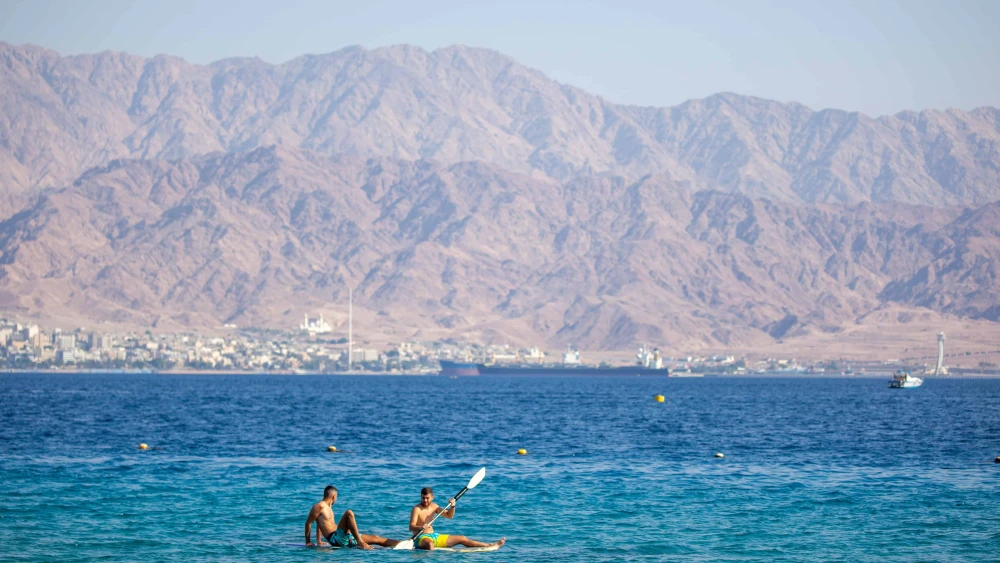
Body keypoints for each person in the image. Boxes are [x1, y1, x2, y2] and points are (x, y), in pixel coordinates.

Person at [305, 485, 401, 549]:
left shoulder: (329, 508)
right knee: (349, 513)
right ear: (333, 496)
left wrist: (319, 541)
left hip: (344, 537)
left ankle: (405, 544)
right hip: (336, 538)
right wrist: (308, 542)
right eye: (336, 497)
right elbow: (309, 523)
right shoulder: (319, 506)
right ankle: (360, 542)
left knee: (376, 538)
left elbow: (320, 524)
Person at [409, 487, 505, 550]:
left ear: (432, 497)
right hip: (421, 538)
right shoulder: (416, 509)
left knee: (462, 538)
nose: (425, 500)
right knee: (430, 545)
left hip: (434, 536)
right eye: (423, 498)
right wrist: (421, 527)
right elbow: (411, 526)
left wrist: (453, 506)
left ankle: (489, 545)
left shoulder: (435, 506)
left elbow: (449, 516)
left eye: (427, 498)